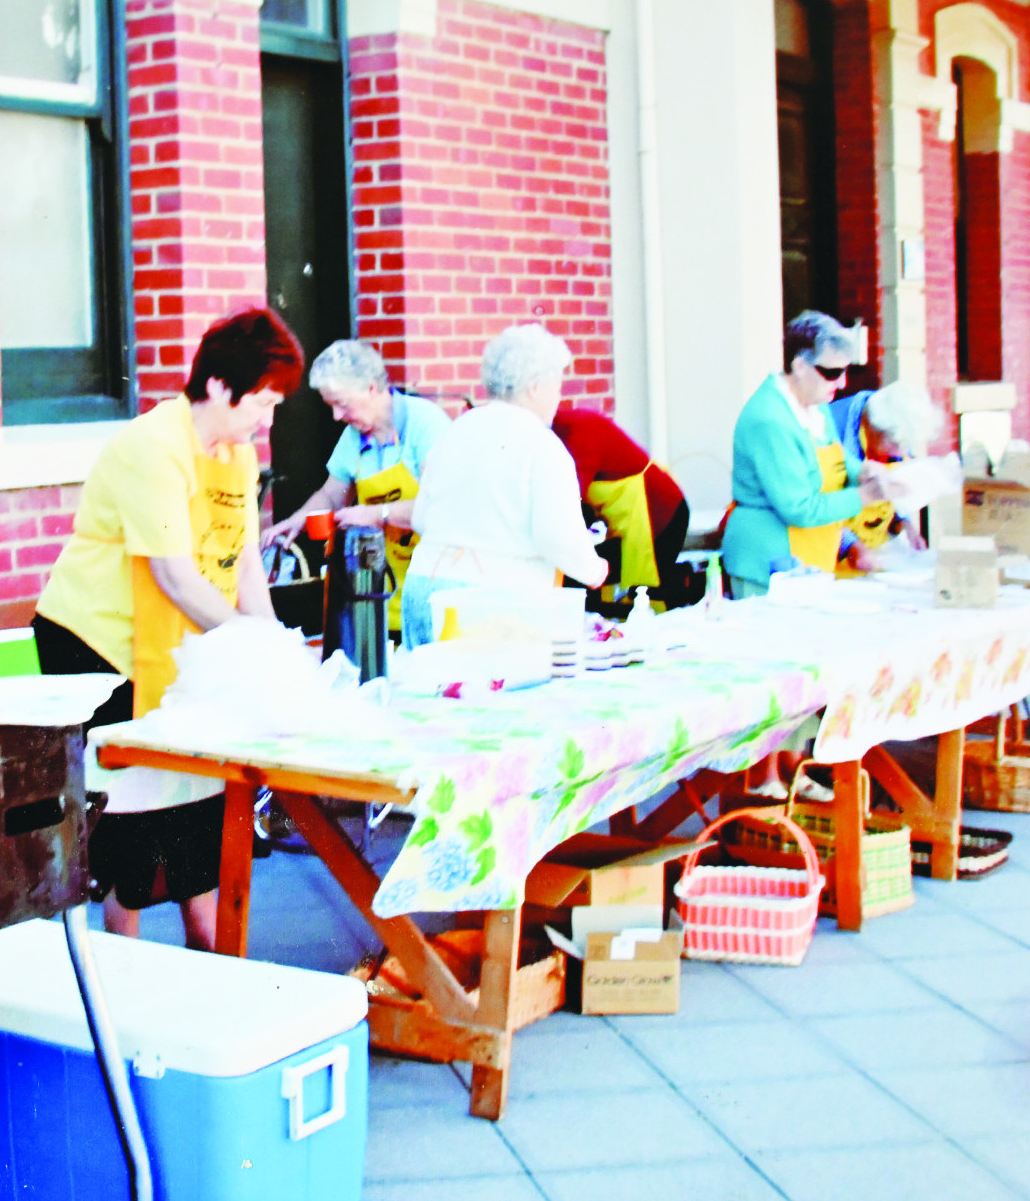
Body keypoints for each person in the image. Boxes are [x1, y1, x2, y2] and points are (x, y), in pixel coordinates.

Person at [31, 308, 303, 949]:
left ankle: (208, 948)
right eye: (262, 402)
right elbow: (175, 579)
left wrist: (272, 645)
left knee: (197, 796)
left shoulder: (236, 454)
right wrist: (250, 646)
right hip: (97, 645)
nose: (268, 420)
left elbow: (242, 562)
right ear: (216, 385)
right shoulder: (150, 448)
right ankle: (112, 959)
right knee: (124, 809)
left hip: (184, 644)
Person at [399, 324, 609, 646]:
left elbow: (421, 520)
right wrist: (594, 569)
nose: (558, 396)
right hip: (492, 603)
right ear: (536, 387)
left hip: (423, 588)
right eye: (556, 385)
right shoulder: (542, 445)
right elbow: (556, 536)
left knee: (428, 692)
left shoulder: (454, 432)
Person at [260, 339, 451, 628]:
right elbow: (331, 494)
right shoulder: (354, 436)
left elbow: (442, 508)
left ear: (371, 388)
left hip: (434, 591)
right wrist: (296, 521)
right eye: (331, 406)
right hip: (382, 591)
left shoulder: (425, 425)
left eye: (342, 404)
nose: (337, 416)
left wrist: (376, 514)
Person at [720, 311, 890, 598]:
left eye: (846, 371)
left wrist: (860, 471)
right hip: (769, 565)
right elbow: (799, 508)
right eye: (832, 373)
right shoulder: (771, 420)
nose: (842, 383)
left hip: (809, 559)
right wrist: (866, 496)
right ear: (800, 365)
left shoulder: (815, 403)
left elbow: (834, 456)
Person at [550, 402, 691, 606]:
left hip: (660, 517)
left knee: (644, 595)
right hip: (632, 523)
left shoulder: (577, 432)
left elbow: (571, 508)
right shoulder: (560, 432)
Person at [826, 378, 944, 565]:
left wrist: (907, 525)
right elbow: (817, 506)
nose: (902, 453)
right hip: (825, 555)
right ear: (873, 429)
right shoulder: (829, 428)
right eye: (897, 445)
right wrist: (852, 546)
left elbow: (897, 483)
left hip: (873, 553)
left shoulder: (899, 422)